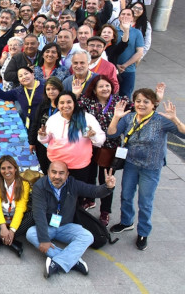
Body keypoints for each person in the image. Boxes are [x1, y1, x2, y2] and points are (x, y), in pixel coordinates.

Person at [107, 89, 185, 250]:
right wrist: (116, 117)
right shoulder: (129, 117)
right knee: (126, 195)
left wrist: (175, 119)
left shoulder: (161, 120)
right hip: (131, 164)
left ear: (153, 104)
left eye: (146, 101)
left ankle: (143, 231)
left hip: (151, 167)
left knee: (145, 201)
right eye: (138, 101)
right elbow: (111, 134)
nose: (141, 104)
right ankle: (126, 222)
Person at [26, 161, 116, 278]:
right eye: (53, 172)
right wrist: (44, 239)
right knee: (30, 233)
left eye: (61, 173)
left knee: (87, 236)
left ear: (67, 174)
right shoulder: (40, 186)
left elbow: (93, 191)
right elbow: (39, 214)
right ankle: (73, 260)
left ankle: (57, 262)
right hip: (48, 226)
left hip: (66, 226)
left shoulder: (73, 184)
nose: (57, 176)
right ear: (48, 172)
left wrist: (107, 187)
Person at [78, 75, 131, 223]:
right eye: (101, 86)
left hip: (110, 148)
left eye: (107, 86)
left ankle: (105, 211)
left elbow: (141, 108)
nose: (105, 89)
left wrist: (156, 101)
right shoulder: (88, 102)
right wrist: (76, 94)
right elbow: (73, 108)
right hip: (90, 145)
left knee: (106, 179)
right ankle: (89, 199)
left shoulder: (119, 102)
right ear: (94, 90)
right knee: (89, 176)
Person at [38, 91, 105, 187]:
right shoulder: (53, 119)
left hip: (79, 167)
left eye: (69, 102)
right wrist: (42, 136)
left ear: (74, 103)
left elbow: (100, 140)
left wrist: (93, 136)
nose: (65, 105)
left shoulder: (87, 118)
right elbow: (45, 140)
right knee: (57, 194)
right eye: (62, 103)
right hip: (57, 166)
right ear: (57, 105)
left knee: (77, 197)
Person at [0, 156, 34, 257]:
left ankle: (0, 238)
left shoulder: (24, 184)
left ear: (15, 168)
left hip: (15, 216)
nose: (6, 171)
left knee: (33, 215)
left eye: (9, 167)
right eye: (3, 168)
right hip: (0, 215)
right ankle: (13, 243)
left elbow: (20, 208)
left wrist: (12, 230)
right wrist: (3, 227)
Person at [28, 77, 64, 174]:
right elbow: (35, 123)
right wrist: (32, 142)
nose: (51, 92)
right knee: (44, 168)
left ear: (60, 89)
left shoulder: (64, 106)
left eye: (54, 89)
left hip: (58, 145)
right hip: (42, 144)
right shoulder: (43, 105)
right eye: (48, 89)